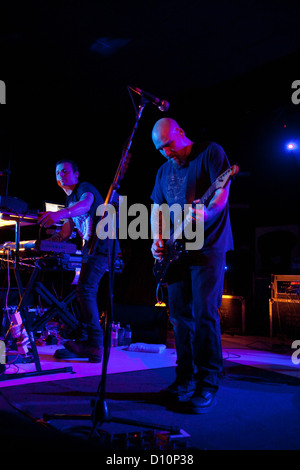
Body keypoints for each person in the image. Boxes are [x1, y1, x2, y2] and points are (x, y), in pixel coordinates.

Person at [150, 117, 234, 413]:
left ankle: (208, 381)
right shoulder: (162, 171)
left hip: (208, 248)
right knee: (178, 318)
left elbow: (221, 193)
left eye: (169, 144)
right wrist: (156, 240)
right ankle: (184, 378)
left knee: (204, 314)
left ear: (181, 132)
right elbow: (158, 211)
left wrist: (207, 216)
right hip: (175, 252)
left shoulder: (210, 152)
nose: (166, 152)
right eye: (160, 149)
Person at [39, 159, 110, 363]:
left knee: (86, 290)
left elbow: (86, 204)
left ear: (76, 174)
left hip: (102, 245)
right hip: (91, 248)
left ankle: (95, 345)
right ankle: (86, 340)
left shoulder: (84, 188)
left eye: (65, 171)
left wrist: (61, 213)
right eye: (58, 172)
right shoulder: (69, 202)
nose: (61, 175)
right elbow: (66, 232)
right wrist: (42, 244)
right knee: (82, 291)